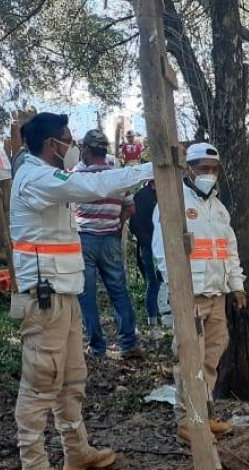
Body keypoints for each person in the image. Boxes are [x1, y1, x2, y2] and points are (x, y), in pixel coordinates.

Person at [9, 112, 154, 470]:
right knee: (41, 382)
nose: (70, 145)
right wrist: (149, 169)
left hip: (63, 294)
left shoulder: (45, 175)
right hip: (44, 299)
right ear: (49, 143)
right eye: (65, 139)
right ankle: (33, 469)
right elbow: (94, 186)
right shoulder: (36, 177)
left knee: (71, 379)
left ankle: (76, 452)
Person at [152, 142, 245, 442]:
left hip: (216, 295)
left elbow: (229, 250)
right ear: (188, 169)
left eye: (213, 169)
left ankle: (204, 414)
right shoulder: (174, 202)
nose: (209, 173)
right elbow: (162, 251)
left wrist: (237, 287)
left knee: (211, 358)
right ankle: (186, 420)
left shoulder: (218, 208)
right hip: (189, 295)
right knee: (189, 358)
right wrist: (177, 290)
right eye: (203, 168)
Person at [74, 129, 141, 360]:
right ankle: (128, 344)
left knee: (87, 294)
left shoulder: (79, 175)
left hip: (85, 240)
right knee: (119, 291)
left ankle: (97, 347)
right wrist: (117, 223)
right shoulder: (117, 176)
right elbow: (130, 208)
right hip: (111, 239)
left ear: (86, 150)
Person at [128, 180, 160, 330]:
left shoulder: (167, 193)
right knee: (153, 283)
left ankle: (167, 320)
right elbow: (135, 224)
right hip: (149, 247)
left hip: (167, 247)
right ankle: (153, 324)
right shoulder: (142, 196)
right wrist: (148, 242)